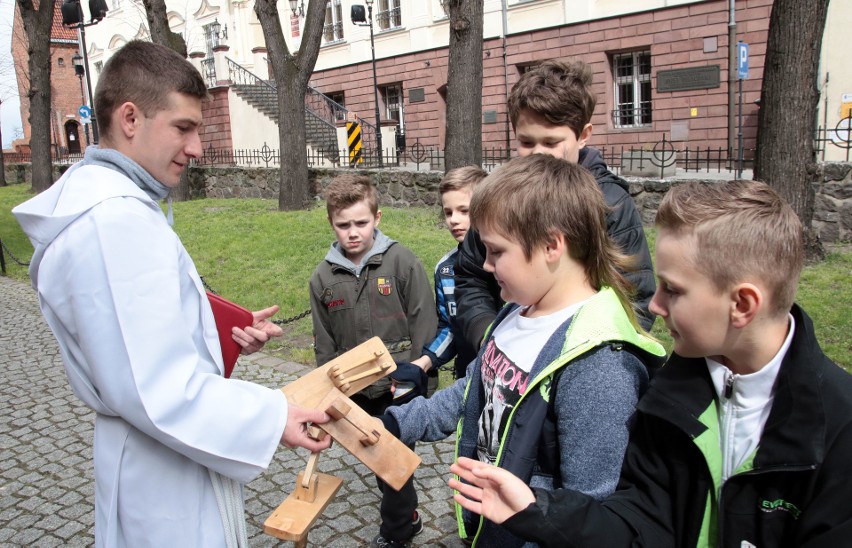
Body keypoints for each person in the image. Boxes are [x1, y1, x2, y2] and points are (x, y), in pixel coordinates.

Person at [12, 41, 331, 548]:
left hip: (154, 455)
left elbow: (132, 338)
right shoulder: (115, 222)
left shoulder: (119, 208)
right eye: (183, 127)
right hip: (161, 475)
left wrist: (215, 329)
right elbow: (156, 387)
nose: (198, 147)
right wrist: (273, 416)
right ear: (131, 118)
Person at [450, 180, 852, 547]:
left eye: (673, 290)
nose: (655, 305)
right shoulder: (670, 393)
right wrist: (541, 511)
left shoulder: (839, 430)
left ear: (742, 304)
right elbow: (639, 524)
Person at [378, 155, 666, 547]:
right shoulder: (516, 311)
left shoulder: (598, 363)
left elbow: (592, 514)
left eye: (497, 251)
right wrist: (400, 423)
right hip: (491, 525)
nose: (485, 263)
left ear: (551, 245)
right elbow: (476, 387)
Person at [453, 59, 656, 362]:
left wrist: (575, 360)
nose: (537, 154)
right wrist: (488, 333)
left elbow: (633, 298)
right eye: (526, 141)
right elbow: (470, 275)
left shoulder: (609, 205)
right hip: (504, 358)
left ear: (583, 134)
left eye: (551, 142)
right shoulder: (500, 198)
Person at [308, 173, 437, 547]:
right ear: (331, 223)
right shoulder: (323, 277)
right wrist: (327, 395)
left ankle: (396, 533)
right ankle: (408, 515)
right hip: (354, 392)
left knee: (391, 461)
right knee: (375, 459)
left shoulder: (401, 262)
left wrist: (417, 380)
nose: (353, 232)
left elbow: (423, 321)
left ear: (377, 218)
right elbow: (324, 343)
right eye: (343, 224)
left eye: (361, 223)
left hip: (398, 386)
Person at [411, 165, 487, 381]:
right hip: (466, 376)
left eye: (464, 211)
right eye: (448, 212)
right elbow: (451, 327)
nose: (453, 219)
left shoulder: (506, 265)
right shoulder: (445, 269)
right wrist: (426, 360)